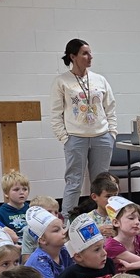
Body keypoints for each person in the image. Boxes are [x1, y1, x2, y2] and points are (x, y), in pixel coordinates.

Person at [50, 38, 118, 213]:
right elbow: (56, 113)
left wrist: (112, 133)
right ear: (73, 56)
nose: (90, 57)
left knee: (102, 182)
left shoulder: (99, 79)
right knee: (74, 182)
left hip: (102, 136)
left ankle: (102, 216)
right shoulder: (62, 81)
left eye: (90, 53)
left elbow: (110, 107)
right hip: (75, 138)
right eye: (85, 53)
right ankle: (67, 221)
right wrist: (64, 138)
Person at [0, 170, 31, 236]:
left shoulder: (31, 209)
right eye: (16, 189)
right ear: (6, 193)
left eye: (25, 189)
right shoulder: (0, 213)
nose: (22, 192)